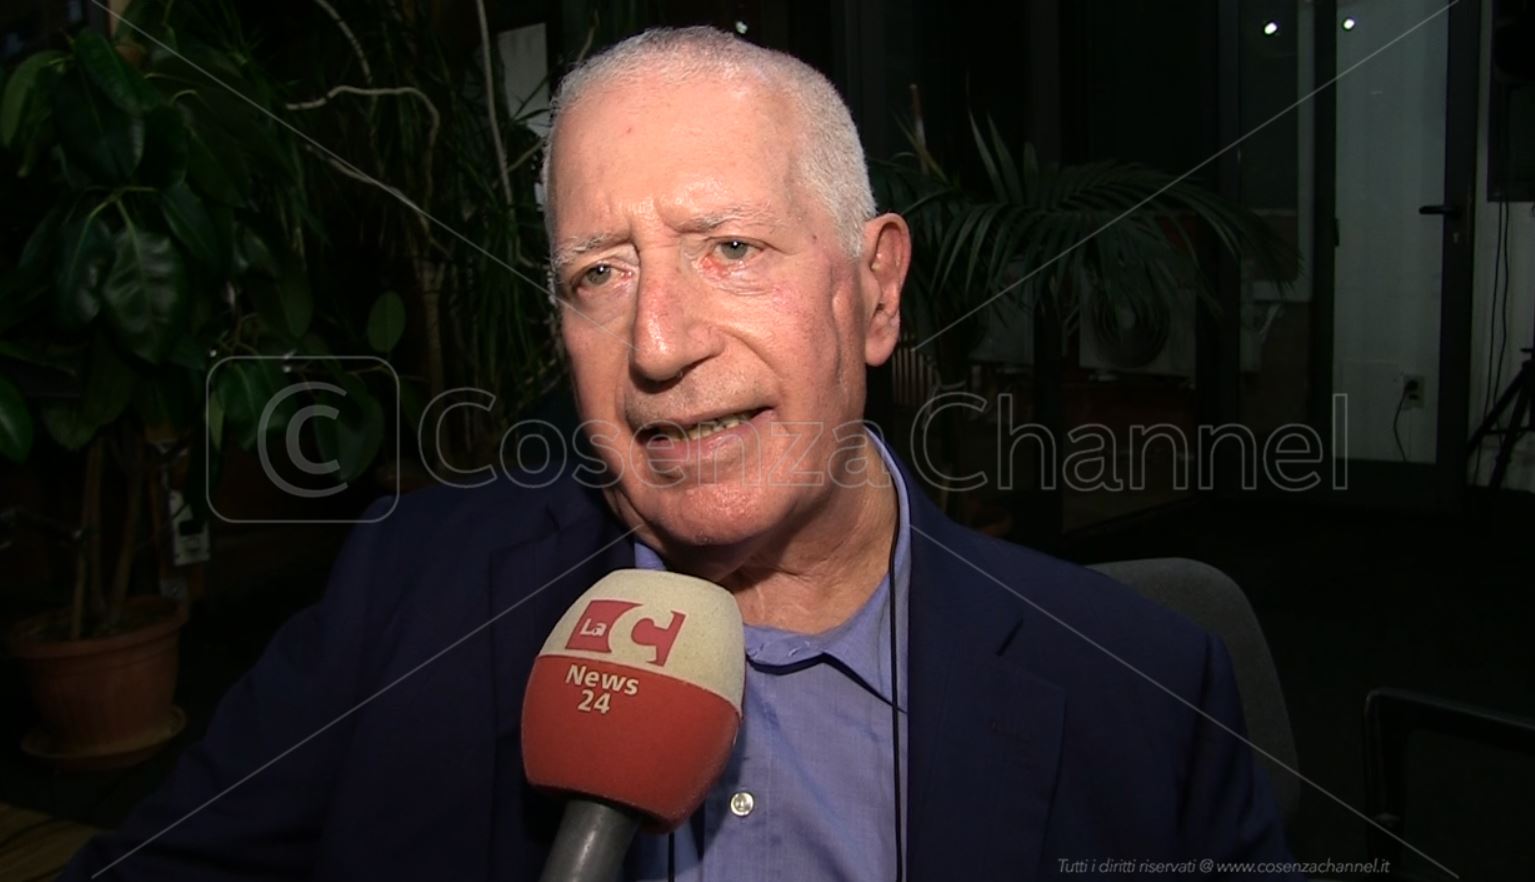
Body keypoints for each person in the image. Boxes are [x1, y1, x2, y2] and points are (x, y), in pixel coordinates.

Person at [62, 26, 1298, 881]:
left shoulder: (1146, 692)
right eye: (597, 276)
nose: (656, 344)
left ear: (874, 293)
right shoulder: (408, 590)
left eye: (730, 249)